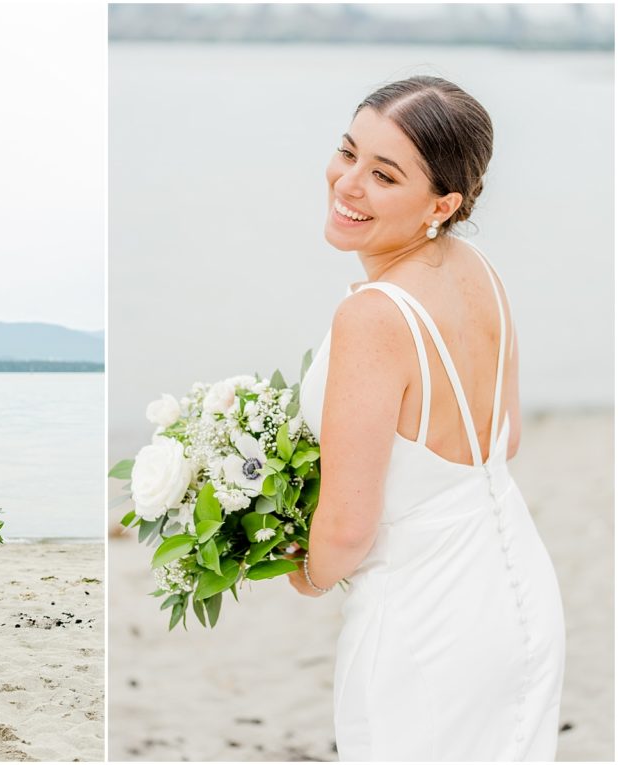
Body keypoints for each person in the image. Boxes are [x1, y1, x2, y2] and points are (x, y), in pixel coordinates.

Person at [288, 76, 565, 760]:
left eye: (383, 175)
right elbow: (506, 436)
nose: (348, 183)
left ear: (444, 201)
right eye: (347, 152)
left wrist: (303, 570)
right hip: (520, 593)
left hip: (426, 618)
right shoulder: (478, 271)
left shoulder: (372, 315)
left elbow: (349, 531)